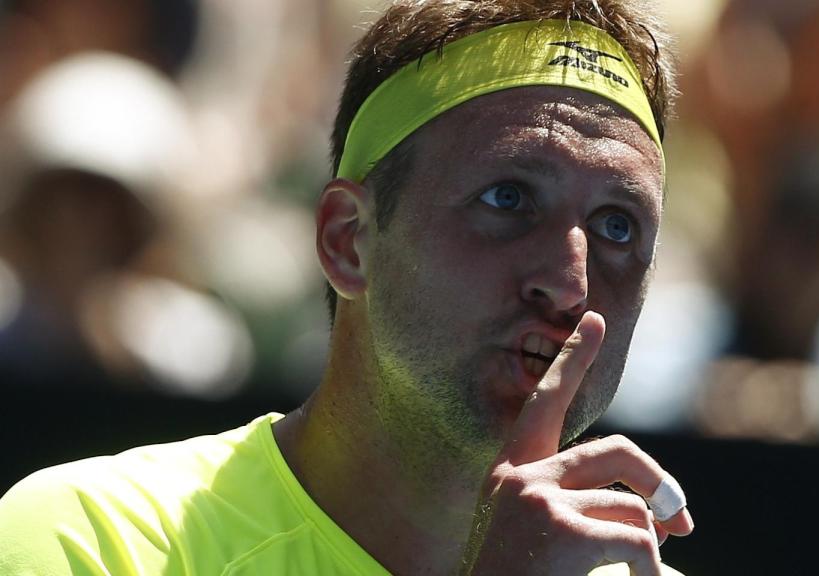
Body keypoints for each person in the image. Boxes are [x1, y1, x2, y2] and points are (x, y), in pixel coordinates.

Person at [0, 0, 694, 573]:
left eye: (617, 226)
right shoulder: (83, 539)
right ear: (347, 240)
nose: (569, 286)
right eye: (509, 199)